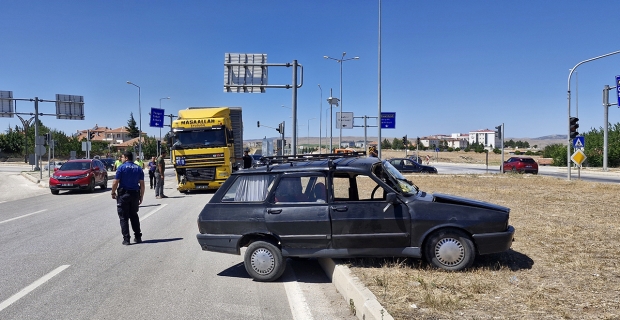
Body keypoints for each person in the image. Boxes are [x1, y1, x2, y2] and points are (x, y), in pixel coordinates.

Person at [111, 151, 145, 245]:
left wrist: (113, 192)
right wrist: (141, 196)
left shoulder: (121, 167)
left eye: (122, 157)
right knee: (134, 215)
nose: (121, 159)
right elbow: (142, 184)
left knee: (123, 217)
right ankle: (138, 237)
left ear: (126, 158)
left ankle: (126, 239)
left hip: (123, 195)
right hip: (135, 194)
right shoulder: (138, 168)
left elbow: (115, 182)